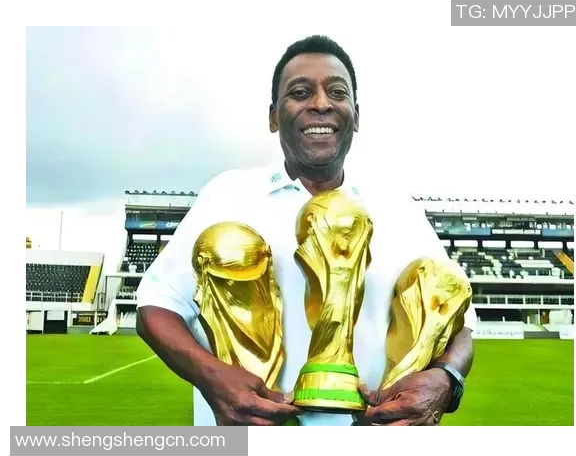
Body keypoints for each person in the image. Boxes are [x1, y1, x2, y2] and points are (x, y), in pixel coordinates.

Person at [135, 35, 476, 426]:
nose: (320, 103)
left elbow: (460, 323)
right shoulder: (229, 194)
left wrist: (447, 377)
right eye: (300, 92)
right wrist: (212, 377)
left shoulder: (398, 208)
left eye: (337, 92)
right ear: (273, 116)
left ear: (356, 115)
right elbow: (156, 308)